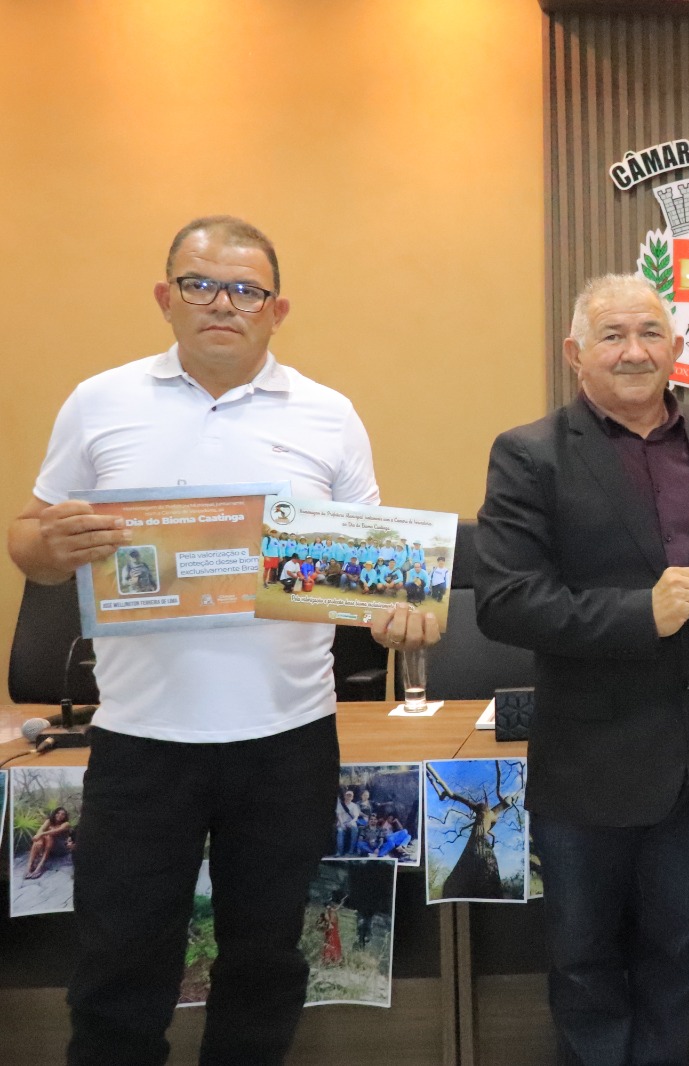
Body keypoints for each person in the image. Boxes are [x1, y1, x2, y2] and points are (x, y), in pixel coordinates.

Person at [6, 215, 436, 1066]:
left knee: (266, 967)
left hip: (287, 741)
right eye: (199, 284)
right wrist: (47, 547)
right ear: (165, 297)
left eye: (245, 290)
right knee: (118, 969)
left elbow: (374, 570)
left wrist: (401, 610)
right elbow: (29, 537)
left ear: (277, 310)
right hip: (140, 740)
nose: (222, 304)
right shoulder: (100, 401)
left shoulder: (329, 414)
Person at [475, 273, 689, 1066]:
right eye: (612, 335)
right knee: (584, 960)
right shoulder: (530, 453)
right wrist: (642, 613)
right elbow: (505, 601)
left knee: (678, 953)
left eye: (650, 333)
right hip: (589, 764)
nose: (634, 351)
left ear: (676, 346)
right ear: (575, 353)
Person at [25, 806, 75, 879]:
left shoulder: (66, 824)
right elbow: (40, 830)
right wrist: (39, 841)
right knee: (39, 840)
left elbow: (55, 831)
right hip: (49, 847)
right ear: (54, 813)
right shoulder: (49, 821)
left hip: (60, 848)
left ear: (65, 816)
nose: (60, 815)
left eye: (63, 814)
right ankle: (29, 866)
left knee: (48, 836)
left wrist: (41, 835)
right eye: (58, 813)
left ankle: (40, 866)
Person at [334, 789, 362, 856]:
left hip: (351, 822)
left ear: (352, 797)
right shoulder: (340, 805)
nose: (348, 797)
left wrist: (350, 823)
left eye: (350, 796)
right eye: (347, 795)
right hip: (342, 822)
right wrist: (342, 824)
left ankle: (351, 851)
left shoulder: (354, 805)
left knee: (355, 829)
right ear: (344, 796)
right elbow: (338, 815)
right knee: (340, 831)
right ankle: (339, 852)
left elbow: (356, 817)